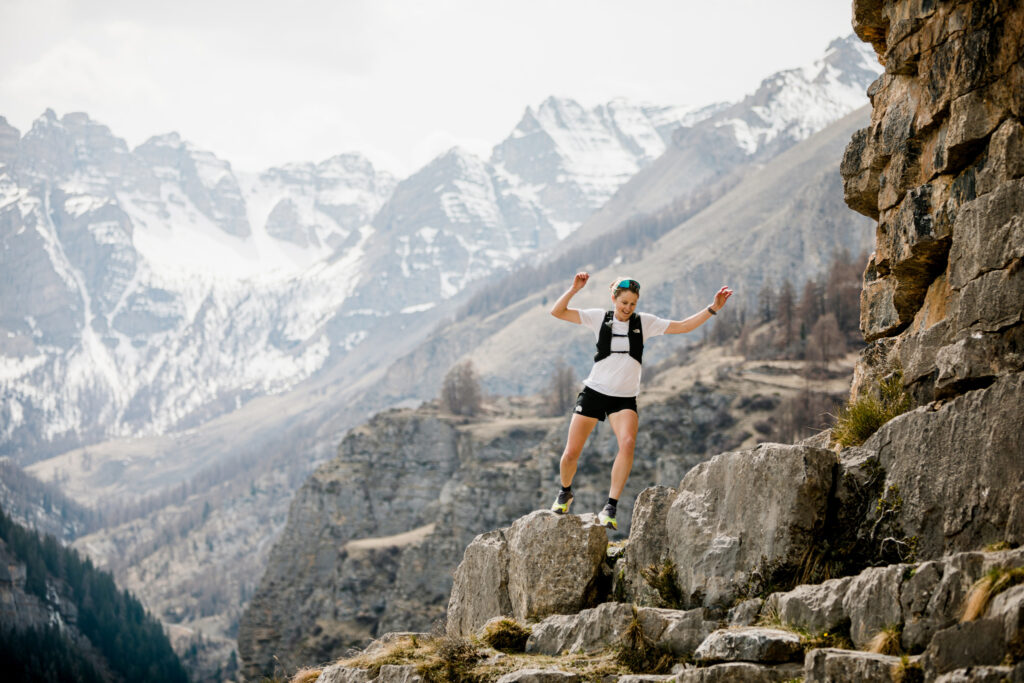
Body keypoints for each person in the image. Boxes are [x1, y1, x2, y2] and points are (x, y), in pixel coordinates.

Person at [548, 272, 733, 529]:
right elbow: (558, 312)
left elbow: (682, 326)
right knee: (570, 454)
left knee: (628, 443)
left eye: (633, 304)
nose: (627, 308)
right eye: (624, 303)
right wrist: (574, 288)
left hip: (623, 399)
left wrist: (713, 308)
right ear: (614, 299)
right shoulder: (599, 317)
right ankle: (565, 491)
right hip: (594, 392)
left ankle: (610, 507)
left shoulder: (644, 323)